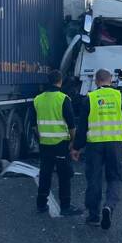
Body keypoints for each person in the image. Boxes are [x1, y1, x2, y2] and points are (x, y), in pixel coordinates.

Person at [71, 68, 122, 229]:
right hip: (115, 144)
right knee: (114, 178)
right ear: (111, 80)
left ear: (96, 81)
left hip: (95, 145)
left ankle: (94, 216)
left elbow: (82, 127)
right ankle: (109, 206)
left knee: (94, 179)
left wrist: (76, 147)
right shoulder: (119, 96)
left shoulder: (90, 98)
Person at [32, 71, 83, 216]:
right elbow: (72, 125)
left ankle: (41, 204)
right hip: (61, 144)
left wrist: (41, 137)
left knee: (45, 173)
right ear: (60, 81)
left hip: (44, 144)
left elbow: (34, 125)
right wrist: (73, 142)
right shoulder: (63, 99)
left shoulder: (38, 99)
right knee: (64, 175)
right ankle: (65, 206)